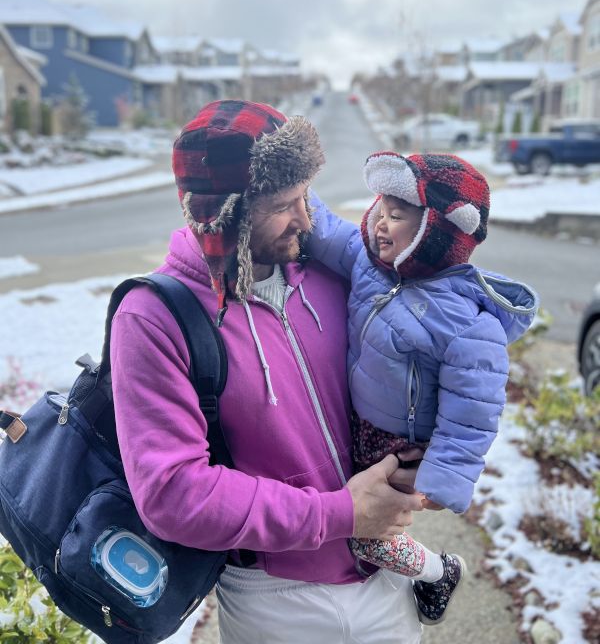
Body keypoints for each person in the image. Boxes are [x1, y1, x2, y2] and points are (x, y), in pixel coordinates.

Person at [110, 100, 424, 644]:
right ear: (221, 215)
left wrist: (423, 457)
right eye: (282, 204)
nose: (305, 219)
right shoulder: (154, 317)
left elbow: (401, 370)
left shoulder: (335, 271)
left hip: (386, 580)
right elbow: (172, 493)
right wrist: (341, 514)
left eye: (306, 196)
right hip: (272, 598)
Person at [309, 150, 538, 625]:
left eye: (398, 216)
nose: (380, 225)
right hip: (356, 419)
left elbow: (473, 410)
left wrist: (444, 477)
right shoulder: (369, 265)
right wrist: (286, 189)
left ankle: (437, 572)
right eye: (380, 211)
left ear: (438, 233)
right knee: (341, 501)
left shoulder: (466, 323)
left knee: (366, 533)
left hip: (402, 446)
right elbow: (326, 230)